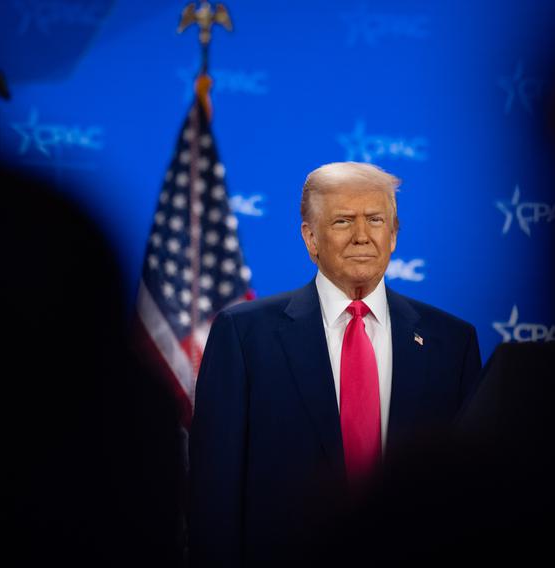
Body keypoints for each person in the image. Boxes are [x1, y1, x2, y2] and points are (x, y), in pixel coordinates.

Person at [188, 162, 483, 567]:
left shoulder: (453, 342)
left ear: (394, 234)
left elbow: (468, 500)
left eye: (376, 220)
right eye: (344, 221)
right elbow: (214, 495)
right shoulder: (243, 336)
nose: (362, 236)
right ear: (310, 237)